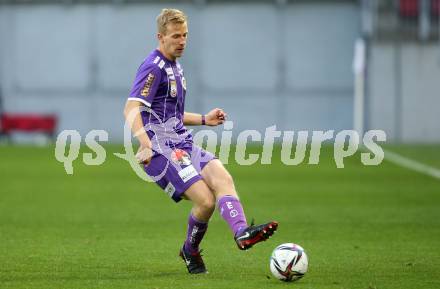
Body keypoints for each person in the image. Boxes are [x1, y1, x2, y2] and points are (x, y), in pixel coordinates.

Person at [123, 8, 278, 274]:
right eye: (175, 36)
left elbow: (170, 115)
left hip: (183, 143)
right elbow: (131, 108)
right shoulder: (154, 67)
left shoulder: (175, 66)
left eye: (185, 35)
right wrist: (145, 144)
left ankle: (241, 232)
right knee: (205, 201)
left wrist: (205, 119)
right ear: (160, 37)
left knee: (223, 179)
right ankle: (190, 251)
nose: (182, 41)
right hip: (161, 151)